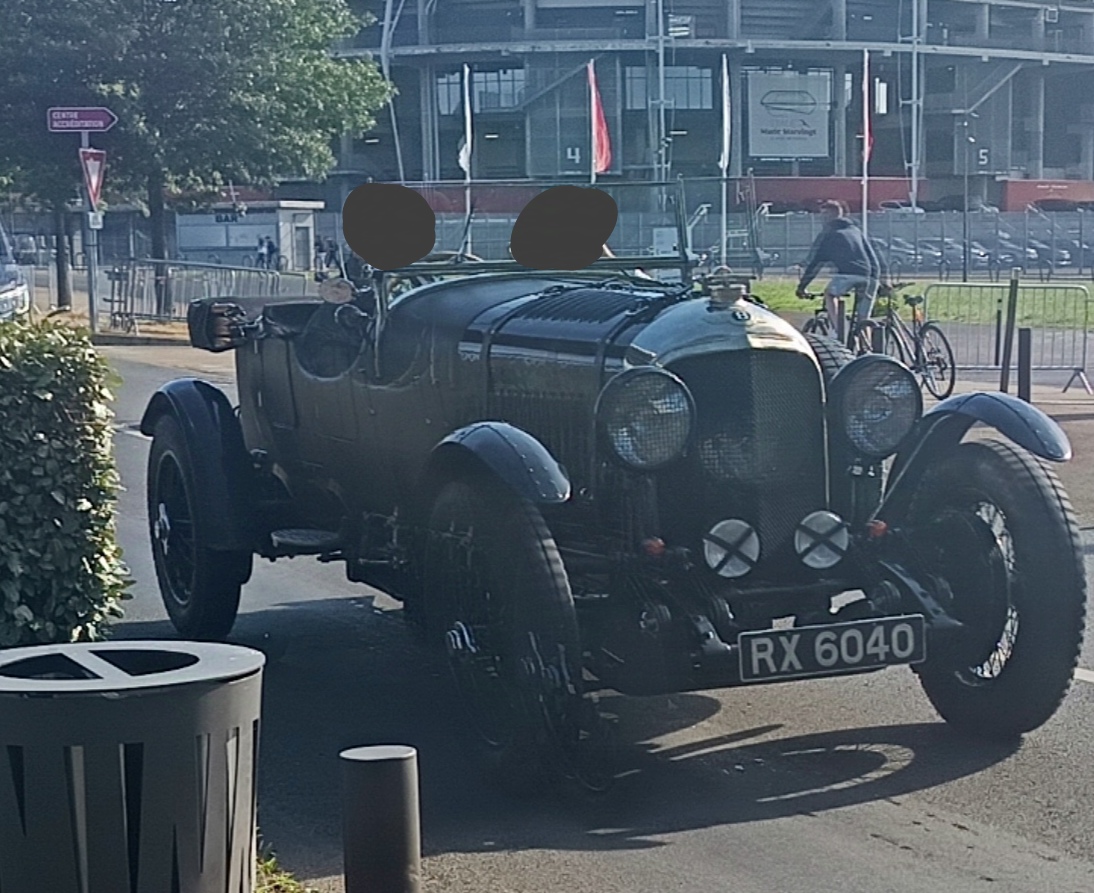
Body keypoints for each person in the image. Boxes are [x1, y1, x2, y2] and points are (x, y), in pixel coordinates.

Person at [795, 200, 889, 337]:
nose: (822, 218)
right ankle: (866, 348)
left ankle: (839, 329)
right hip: (869, 276)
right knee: (863, 319)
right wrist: (878, 279)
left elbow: (816, 263)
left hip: (847, 274)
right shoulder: (856, 231)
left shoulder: (830, 235)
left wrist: (802, 287)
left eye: (824, 215)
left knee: (830, 294)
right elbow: (873, 257)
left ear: (829, 216)